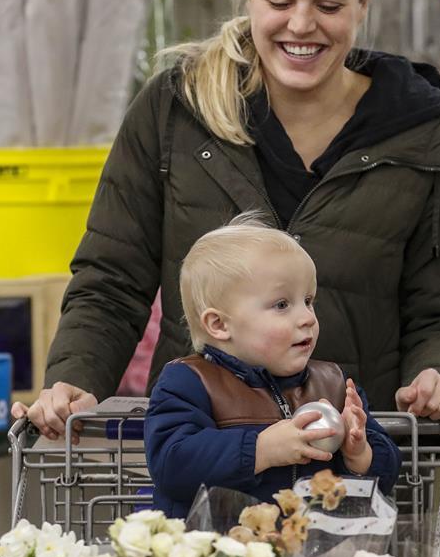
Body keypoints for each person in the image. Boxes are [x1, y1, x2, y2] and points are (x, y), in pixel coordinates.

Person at [12, 0, 440, 441]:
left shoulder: (423, 136)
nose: (302, 25)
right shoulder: (176, 110)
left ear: (364, 1)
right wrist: (75, 376)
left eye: (329, 5)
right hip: (198, 453)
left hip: (356, 461)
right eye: (280, 1)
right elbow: (112, 281)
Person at [144, 215, 402, 517]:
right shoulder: (189, 382)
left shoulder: (333, 384)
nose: (307, 317)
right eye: (282, 305)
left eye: (309, 301)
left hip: (315, 555)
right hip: (223, 556)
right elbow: (172, 464)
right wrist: (260, 449)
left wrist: (359, 453)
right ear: (219, 324)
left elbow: (386, 475)